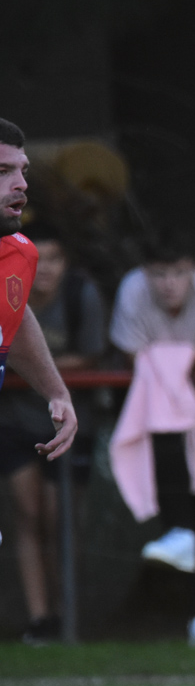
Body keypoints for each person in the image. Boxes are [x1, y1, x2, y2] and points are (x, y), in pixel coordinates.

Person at [109, 231, 195, 647]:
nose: (168, 283)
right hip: (165, 415)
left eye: (178, 273)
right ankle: (179, 530)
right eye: (159, 273)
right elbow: (135, 358)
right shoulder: (133, 292)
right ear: (145, 273)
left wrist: (182, 359)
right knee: (179, 493)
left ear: (193, 271)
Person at [0, 219, 103, 643]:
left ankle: (67, 614)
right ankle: (40, 618)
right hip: (15, 421)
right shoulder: (9, 271)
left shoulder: (81, 294)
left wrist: (53, 385)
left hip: (61, 419)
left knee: (59, 518)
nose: (44, 269)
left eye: (53, 258)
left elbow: (93, 354)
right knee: (28, 514)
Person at [0, 119, 82, 640]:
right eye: (3, 171)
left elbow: (16, 310)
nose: (21, 184)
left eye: (22, 171)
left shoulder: (18, 253)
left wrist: (55, 389)